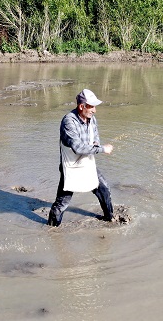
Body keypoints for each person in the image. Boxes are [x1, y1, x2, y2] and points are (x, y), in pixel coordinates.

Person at [47, 89, 115, 226]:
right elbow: (77, 147)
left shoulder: (91, 119)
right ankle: (51, 228)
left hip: (87, 163)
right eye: (91, 106)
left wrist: (96, 143)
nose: (94, 110)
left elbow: (95, 136)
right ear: (81, 106)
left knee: (104, 189)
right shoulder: (69, 122)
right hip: (71, 166)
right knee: (63, 202)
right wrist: (102, 149)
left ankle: (110, 219)